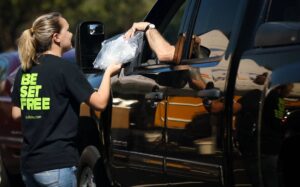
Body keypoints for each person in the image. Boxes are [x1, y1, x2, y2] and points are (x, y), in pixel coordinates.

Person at [11, 12, 121, 187]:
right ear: (56, 37)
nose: (71, 35)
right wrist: (109, 72)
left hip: (29, 165)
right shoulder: (65, 69)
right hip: (57, 165)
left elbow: (16, 113)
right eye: (67, 30)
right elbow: (100, 103)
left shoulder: (24, 70)